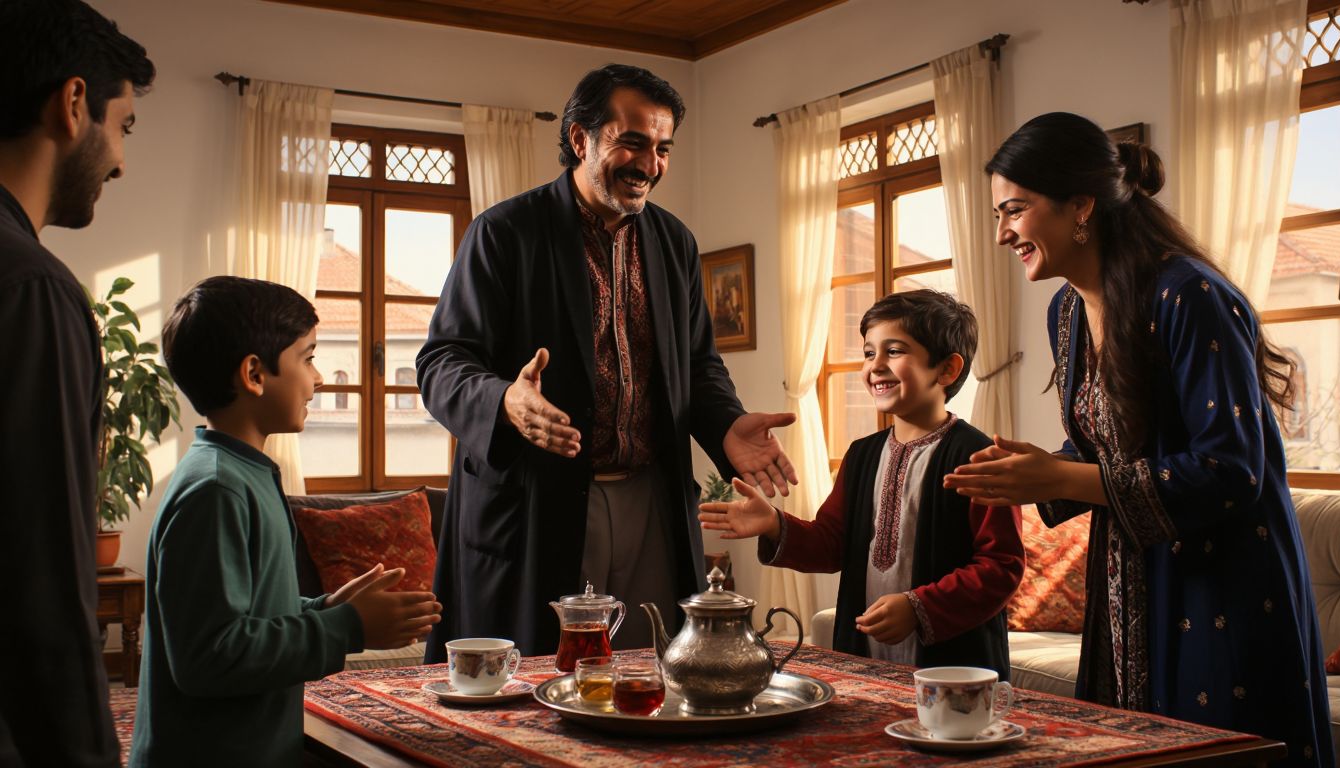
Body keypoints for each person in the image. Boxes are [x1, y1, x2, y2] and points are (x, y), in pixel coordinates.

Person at [943, 112, 1334, 765]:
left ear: (1080, 206)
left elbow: (1232, 467)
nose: (1002, 233)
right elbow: (1107, 450)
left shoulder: (1190, 295)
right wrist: (1033, 471)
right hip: (1125, 575)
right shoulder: (1066, 311)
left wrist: (1061, 478)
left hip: (1221, 578)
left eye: (1015, 210)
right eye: (997, 215)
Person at [418, 64, 796, 658]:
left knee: (656, 670)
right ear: (580, 138)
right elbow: (443, 360)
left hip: (652, 497)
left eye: (663, 149)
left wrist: (727, 425)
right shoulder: (504, 232)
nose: (650, 164)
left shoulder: (675, 242)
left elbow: (699, 365)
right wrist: (504, 401)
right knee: (543, 676)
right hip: (539, 500)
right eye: (633, 142)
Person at [130, 277, 441, 767]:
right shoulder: (216, 490)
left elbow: (248, 610)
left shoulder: (240, 473)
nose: (319, 379)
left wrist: (324, 607)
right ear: (254, 374)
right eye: (308, 357)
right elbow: (209, 657)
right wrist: (347, 627)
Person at [700, 290, 1025, 673]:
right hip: (864, 658)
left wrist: (919, 608)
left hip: (955, 669)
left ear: (947, 370)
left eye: (895, 351)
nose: (876, 366)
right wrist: (773, 523)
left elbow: (1001, 566)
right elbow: (831, 544)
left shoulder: (981, 457)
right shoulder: (861, 455)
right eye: (869, 353)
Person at [0, 1, 153, 764]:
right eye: (123, 126)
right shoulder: (32, 289)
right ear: (72, 104)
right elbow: (43, 586)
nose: (120, 163)